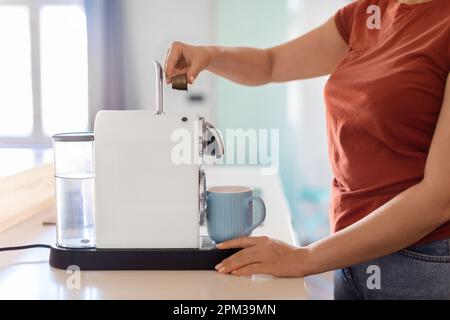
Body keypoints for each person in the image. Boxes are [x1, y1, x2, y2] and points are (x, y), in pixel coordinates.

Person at [164, 0, 450, 299]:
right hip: (347, 248)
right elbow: (269, 64)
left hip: (422, 261)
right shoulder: (365, 14)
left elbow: (438, 199)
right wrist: (208, 55)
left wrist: (305, 258)